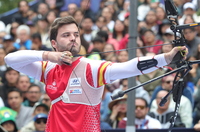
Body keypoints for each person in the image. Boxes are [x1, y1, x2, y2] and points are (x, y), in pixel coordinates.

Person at [4, 16, 187, 131]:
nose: (73, 38)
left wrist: (166, 58)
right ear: (54, 43)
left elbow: (128, 67)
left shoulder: (91, 67)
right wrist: (48, 56)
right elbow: (10, 60)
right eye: (66, 35)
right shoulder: (48, 68)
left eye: (76, 34)